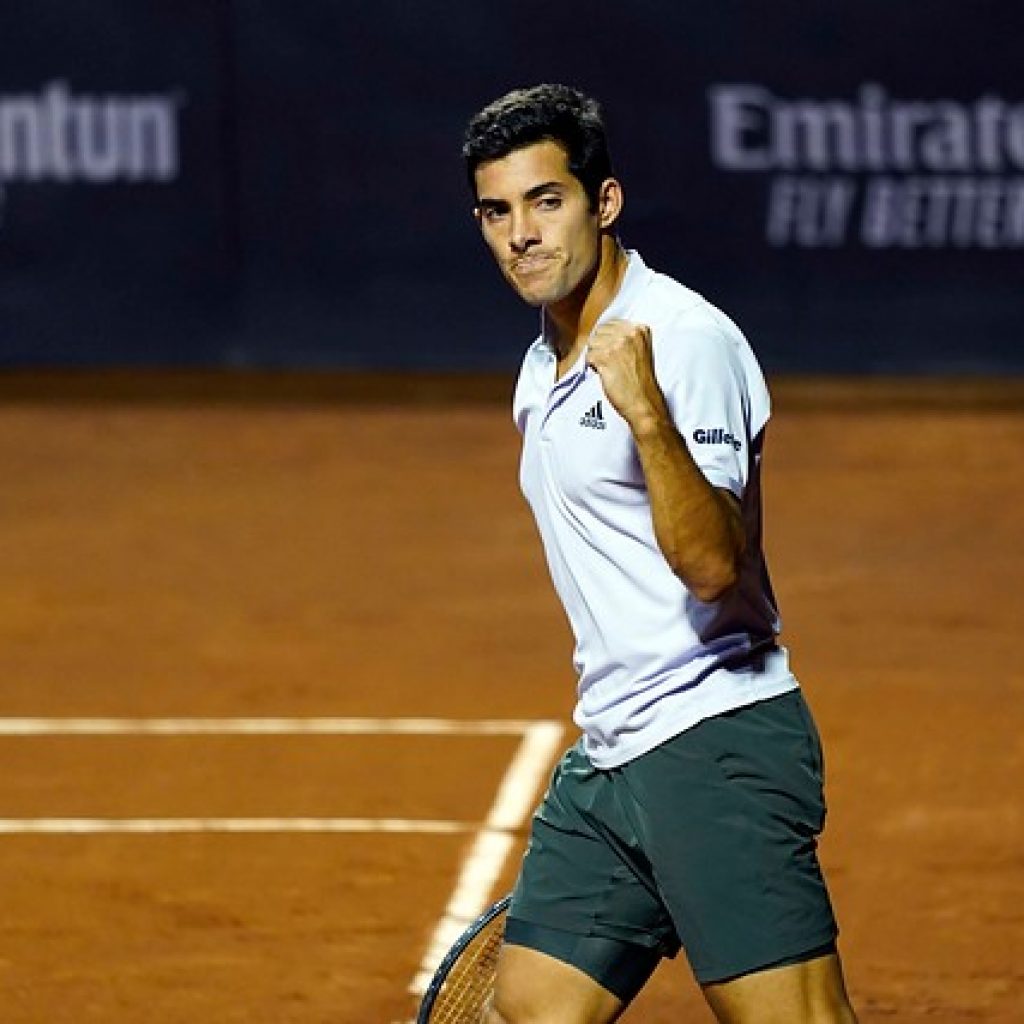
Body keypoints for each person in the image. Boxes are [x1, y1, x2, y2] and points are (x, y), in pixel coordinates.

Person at [462, 84, 858, 1024]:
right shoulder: (538, 367)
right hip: (612, 752)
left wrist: (645, 413)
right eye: (497, 210)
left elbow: (717, 567)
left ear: (604, 203)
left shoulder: (686, 341)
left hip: (715, 741)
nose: (521, 233)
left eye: (546, 201)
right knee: (533, 1007)